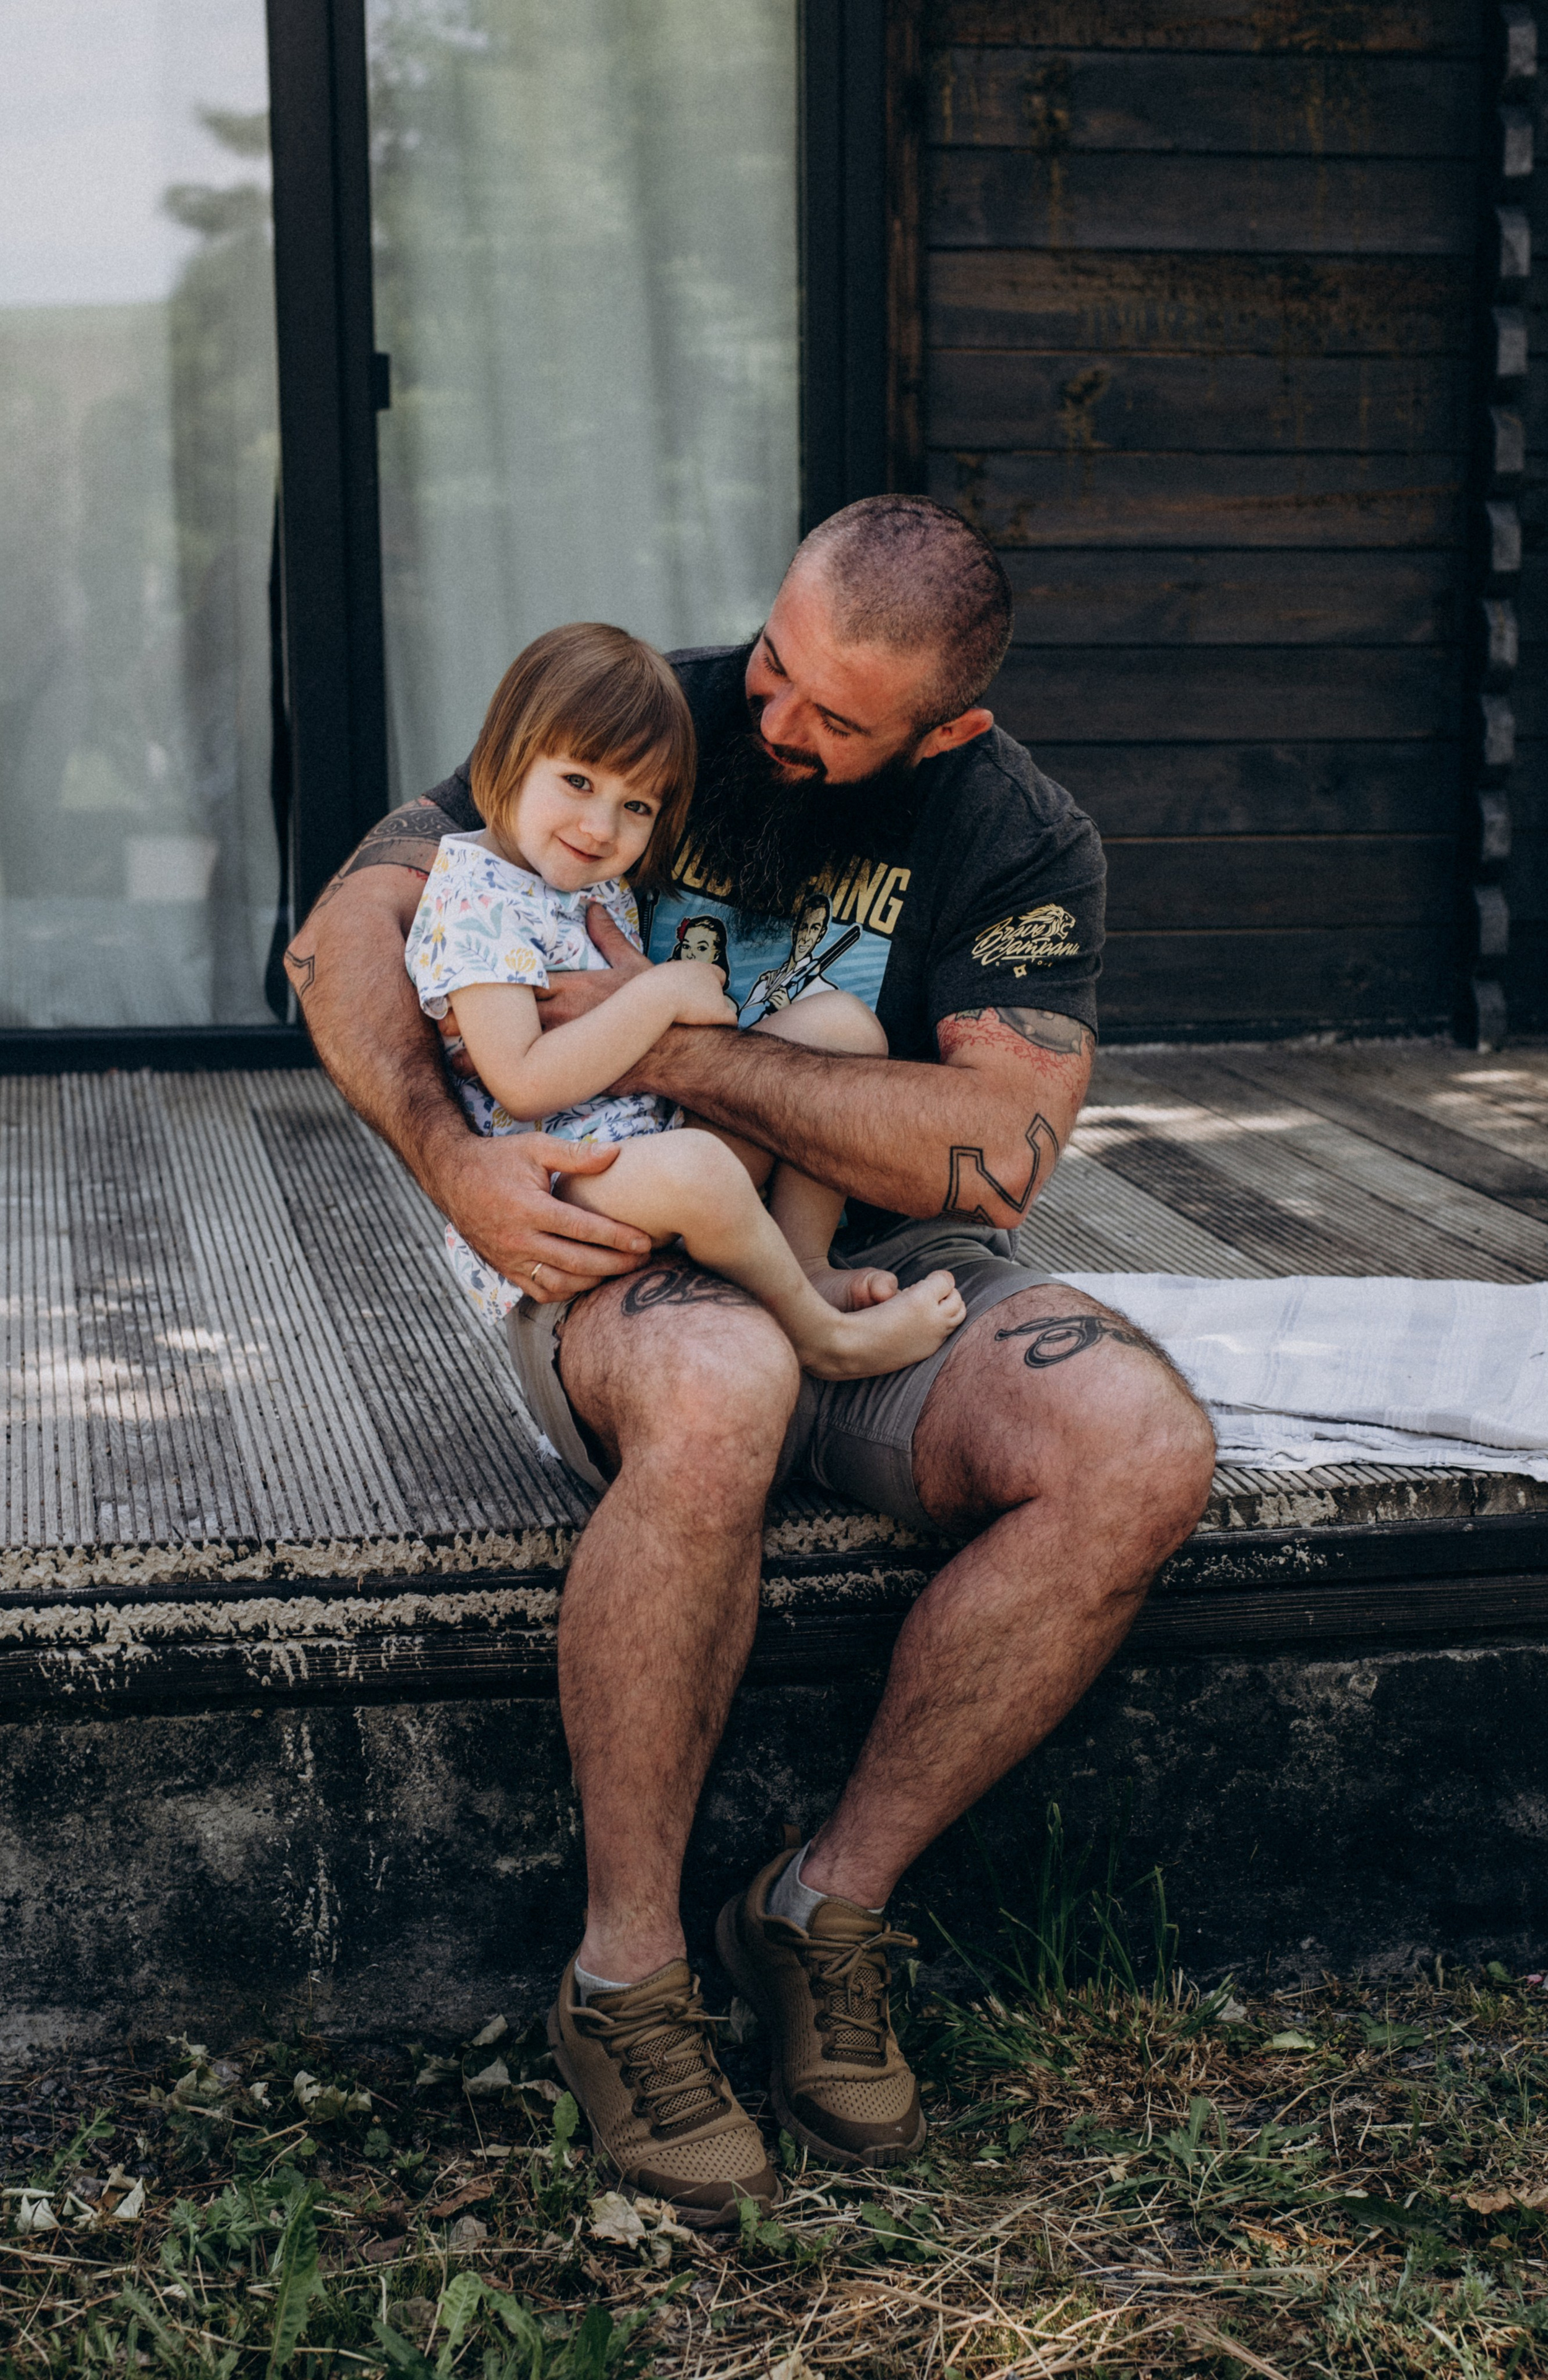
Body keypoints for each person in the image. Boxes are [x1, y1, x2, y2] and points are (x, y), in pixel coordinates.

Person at [285, 495, 1217, 2227]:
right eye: (776, 666)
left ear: (947, 727)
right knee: (727, 1383)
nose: (773, 728)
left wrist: (683, 1049)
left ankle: (823, 1906)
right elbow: (348, 928)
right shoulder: (643, 715)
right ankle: (627, 1979)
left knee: (1143, 1447)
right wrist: (458, 1161)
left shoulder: (1020, 838)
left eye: (834, 719)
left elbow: (995, 1153)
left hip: (881, 1253)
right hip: (621, 1244)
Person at [404, 619, 965, 1374]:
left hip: (654, 1132)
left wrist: (668, 1000)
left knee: (842, 1029)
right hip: (565, 1182)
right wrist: (662, 991)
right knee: (698, 1166)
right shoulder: (477, 897)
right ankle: (820, 1337)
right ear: (507, 754)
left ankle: (803, 1263)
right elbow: (523, 1082)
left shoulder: (577, 872)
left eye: (637, 806)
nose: (600, 826)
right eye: (577, 781)